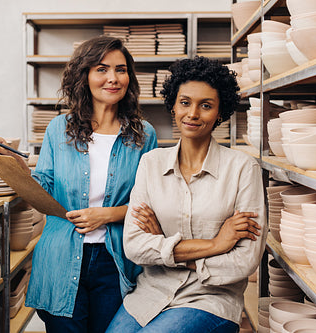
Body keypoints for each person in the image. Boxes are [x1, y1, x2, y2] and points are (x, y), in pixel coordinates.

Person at [0, 36, 157, 333]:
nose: (113, 78)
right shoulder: (58, 129)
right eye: (102, 69)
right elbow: (44, 188)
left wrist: (107, 215)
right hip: (61, 256)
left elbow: (152, 201)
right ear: (85, 75)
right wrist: (14, 163)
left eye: (121, 69)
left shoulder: (143, 135)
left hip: (115, 261)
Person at [106, 56, 267, 333]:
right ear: (173, 105)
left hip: (211, 299)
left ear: (220, 112)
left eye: (206, 105)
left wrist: (164, 246)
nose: (192, 113)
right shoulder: (151, 163)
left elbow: (245, 261)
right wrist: (217, 244)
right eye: (185, 102)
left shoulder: (242, 168)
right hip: (150, 294)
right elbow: (134, 246)